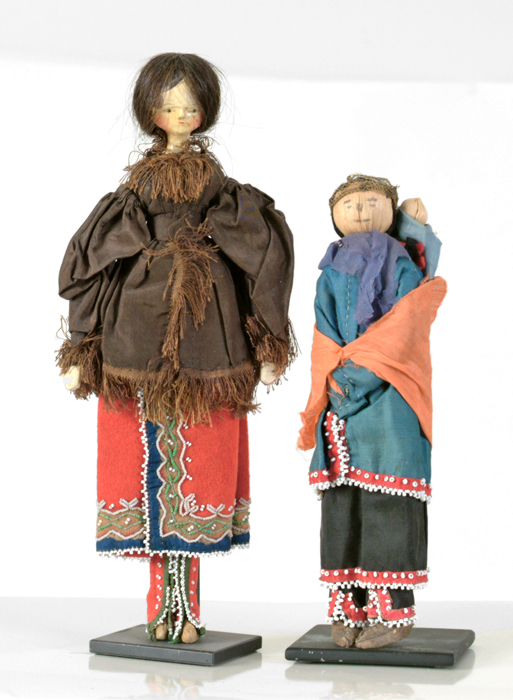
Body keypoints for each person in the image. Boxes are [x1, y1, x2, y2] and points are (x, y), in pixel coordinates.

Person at [57, 53, 295, 644]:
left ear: (205, 111)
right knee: (142, 459)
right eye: (169, 106)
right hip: (137, 325)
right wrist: (83, 344)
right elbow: (95, 263)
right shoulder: (133, 191)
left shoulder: (224, 191)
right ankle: (163, 606)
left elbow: (260, 257)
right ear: (151, 112)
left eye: (190, 106)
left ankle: (184, 609)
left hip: (207, 326)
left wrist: (268, 337)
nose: (181, 116)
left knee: (199, 456)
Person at [298, 174, 445, 649]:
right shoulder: (329, 270)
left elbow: (403, 328)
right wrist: (334, 380)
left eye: (370, 202)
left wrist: (356, 377)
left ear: (390, 209)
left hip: (390, 397)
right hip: (338, 399)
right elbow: (322, 331)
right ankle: (349, 609)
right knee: (342, 506)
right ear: (334, 216)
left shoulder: (402, 263)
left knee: (390, 504)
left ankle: (393, 613)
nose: (360, 210)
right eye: (349, 204)